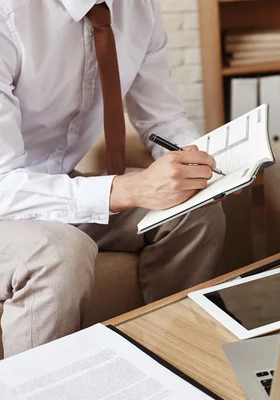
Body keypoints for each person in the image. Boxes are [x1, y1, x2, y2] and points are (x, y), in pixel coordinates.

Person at [0, 1, 226, 357]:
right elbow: (3, 184)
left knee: (193, 210)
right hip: (4, 195)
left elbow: (162, 120)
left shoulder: (139, 8)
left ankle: (174, 361)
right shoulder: (8, 15)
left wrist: (194, 162)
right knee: (60, 253)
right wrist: (127, 188)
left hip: (56, 180)